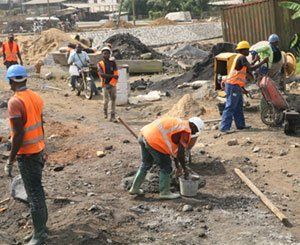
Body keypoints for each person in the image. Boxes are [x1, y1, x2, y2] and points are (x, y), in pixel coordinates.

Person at [4, 65, 48, 245]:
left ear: (11, 81)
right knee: (37, 190)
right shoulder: (35, 97)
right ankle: (41, 228)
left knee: (34, 195)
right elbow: (41, 124)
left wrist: (10, 159)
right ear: (26, 79)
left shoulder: (15, 102)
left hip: (27, 154)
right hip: (37, 150)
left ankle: (39, 234)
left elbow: (18, 134)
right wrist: (43, 147)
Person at [129, 116, 204, 199]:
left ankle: (134, 188)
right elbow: (180, 154)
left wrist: (178, 167)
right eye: (195, 131)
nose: (193, 133)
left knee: (146, 163)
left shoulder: (180, 124)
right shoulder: (186, 130)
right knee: (166, 166)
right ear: (193, 126)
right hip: (154, 140)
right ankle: (165, 192)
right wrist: (184, 169)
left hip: (144, 134)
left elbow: (175, 152)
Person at [220, 41, 269, 133]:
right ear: (243, 50)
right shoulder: (242, 57)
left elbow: (245, 69)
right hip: (233, 85)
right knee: (230, 106)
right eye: (248, 50)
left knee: (238, 107)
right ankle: (224, 128)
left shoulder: (240, 58)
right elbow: (250, 68)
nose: (249, 52)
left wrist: (243, 89)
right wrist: (263, 61)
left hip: (236, 86)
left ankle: (240, 125)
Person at [98, 47, 118, 122]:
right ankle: (105, 111)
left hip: (112, 84)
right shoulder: (100, 64)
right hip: (105, 84)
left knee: (113, 100)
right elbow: (102, 74)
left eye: (108, 53)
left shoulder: (113, 63)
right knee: (106, 101)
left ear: (110, 54)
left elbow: (116, 74)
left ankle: (112, 116)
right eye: (105, 53)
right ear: (102, 54)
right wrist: (112, 76)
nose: (106, 55)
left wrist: (112, 81)